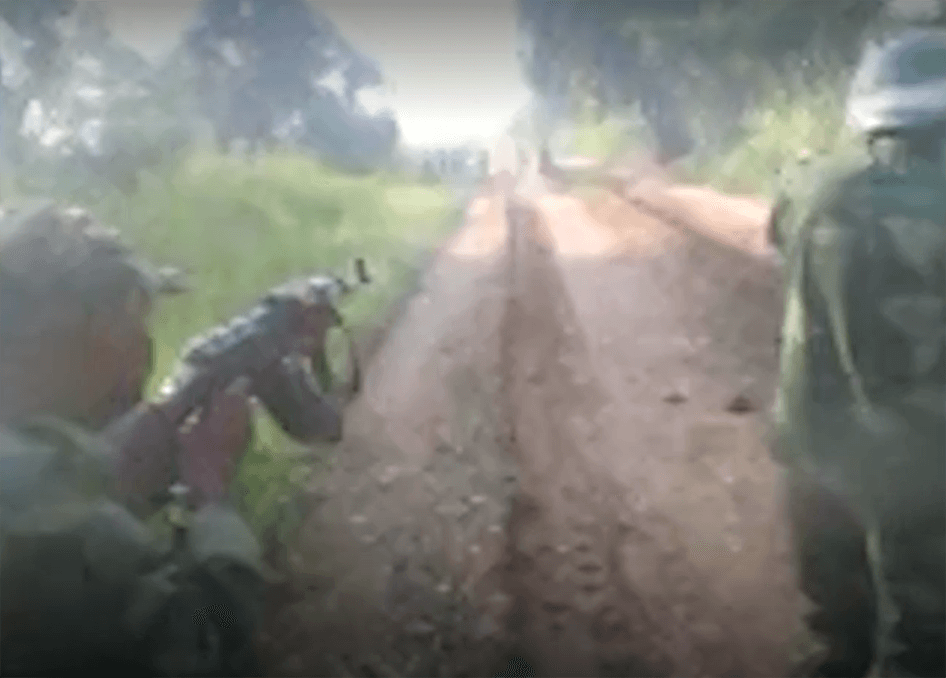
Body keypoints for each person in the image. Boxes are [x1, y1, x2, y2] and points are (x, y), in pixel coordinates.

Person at [0, 202, 336, 676]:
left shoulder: (42, 477)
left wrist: (123, 483)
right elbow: (210, 640)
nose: (145, 347)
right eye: (138, 321)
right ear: (98, 328)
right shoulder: (66, 529)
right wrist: (211, 493)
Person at [767, 28, 946, 678]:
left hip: (813, 448)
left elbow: (779, 230)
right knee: (922, 641)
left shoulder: (809, 183)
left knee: (836, 632)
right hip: (918, 468)